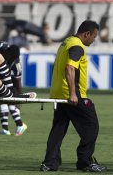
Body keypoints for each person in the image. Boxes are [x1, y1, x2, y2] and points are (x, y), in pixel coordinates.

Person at [40, 20, 106, 172]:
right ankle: (85, 161)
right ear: (87, 34)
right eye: (94, 36)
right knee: (91, 126)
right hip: (72, 95)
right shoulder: (77, 45)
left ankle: (50, 163)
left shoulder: (66, 41)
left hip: (58, 93)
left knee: (58, 128)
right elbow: (70, 67)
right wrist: (73, 94)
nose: (94, 39)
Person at [0, 41, 36, 136]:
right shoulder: (0, 47)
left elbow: (18, 83)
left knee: (6, 98)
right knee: (2, 99)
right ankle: (6, 129)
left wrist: (18, 99)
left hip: (5, 80)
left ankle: (18, 125)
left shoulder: (16, 65)